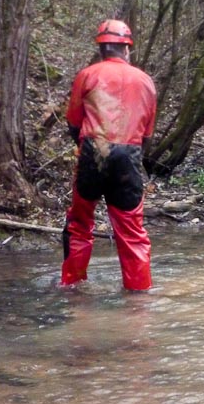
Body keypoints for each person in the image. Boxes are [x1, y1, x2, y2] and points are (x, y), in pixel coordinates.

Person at [60, 19, 157, 291]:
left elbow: (74, 123)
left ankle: (72, 290)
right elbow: (147, 134)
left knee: (79, 225)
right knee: (133, 234)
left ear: (101, 49)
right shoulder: (146, 81)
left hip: (94, 151)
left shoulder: (87, 75)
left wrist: (87, 151)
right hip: (129, 155)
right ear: (127, 49)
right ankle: (139, 300)